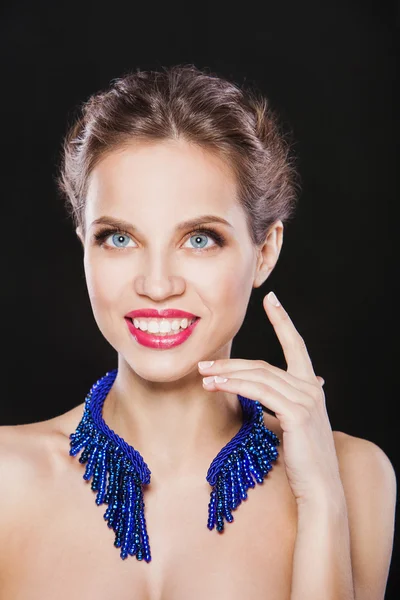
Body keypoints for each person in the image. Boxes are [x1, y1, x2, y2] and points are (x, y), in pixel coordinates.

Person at [0, 65, 396, 600]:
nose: (157, 284)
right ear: (84, 247)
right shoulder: (7, 479)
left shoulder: (355, 477)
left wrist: (321, 499)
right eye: (118, 238)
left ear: (265, 252)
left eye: (200, 239)